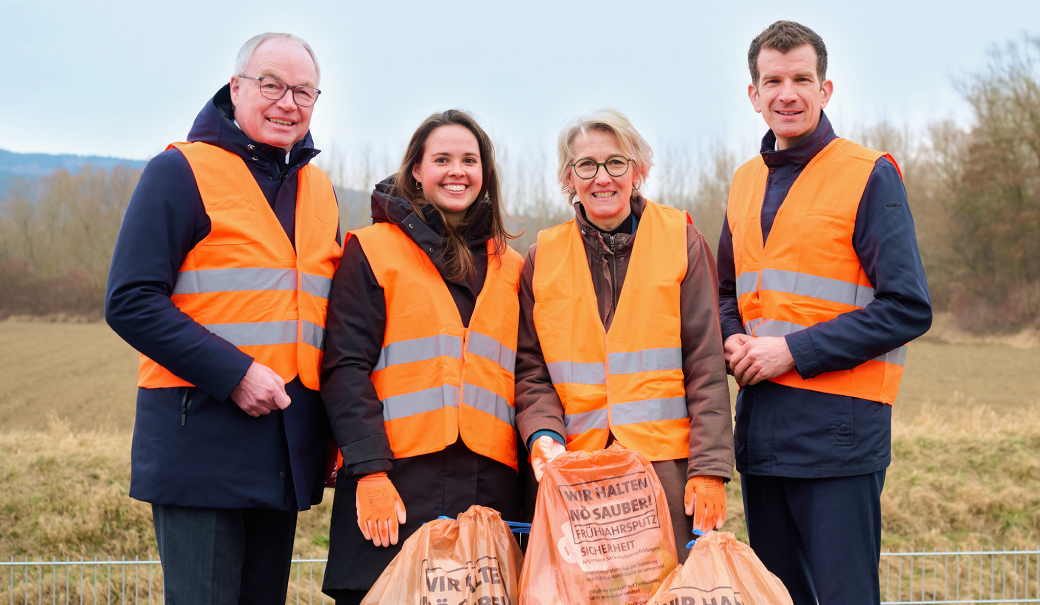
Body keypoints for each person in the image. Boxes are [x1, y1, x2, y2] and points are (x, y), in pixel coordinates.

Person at [105, 33, 339, 605]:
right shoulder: (179, 171)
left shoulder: (321, 190)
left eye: (304, 92)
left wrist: (328, 436)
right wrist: (234, 373)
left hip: (285, 450)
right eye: (272, 85)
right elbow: (130, 299)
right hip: (201, 441)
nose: (288, 103)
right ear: (236, 88)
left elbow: (320, 319)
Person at [718, 20, 933, 605]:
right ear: (754, 95)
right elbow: (726, 291)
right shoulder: (742, 182)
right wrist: (733, 337)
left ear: (825, 89)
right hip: (762, 437)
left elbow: (908, 307)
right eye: (773, 80)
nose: (787, 93)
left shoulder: (869, 175)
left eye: (801, 79)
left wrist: (791, 350)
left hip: (840, 437)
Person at [320, 109, 523, 604]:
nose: (458, 171)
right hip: (395, 491)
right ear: (416, 169)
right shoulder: (371, 250)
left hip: (490, 498)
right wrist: (368, 471)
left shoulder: (512, 266)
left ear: (485, 172)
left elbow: (530, 378)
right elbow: (346, 368)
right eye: (443, 159)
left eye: (470, 160)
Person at [514, 109, 734, 559]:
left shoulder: (683, 242)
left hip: (666, 476)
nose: (602, 178)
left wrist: (710, 468)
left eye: (616, 162)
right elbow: (530, 370)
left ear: (639, 170)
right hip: (574, 473)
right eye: (586, 165)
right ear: (567, 178)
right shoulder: (541, 257)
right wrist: (542, 437)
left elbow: (706, 366)